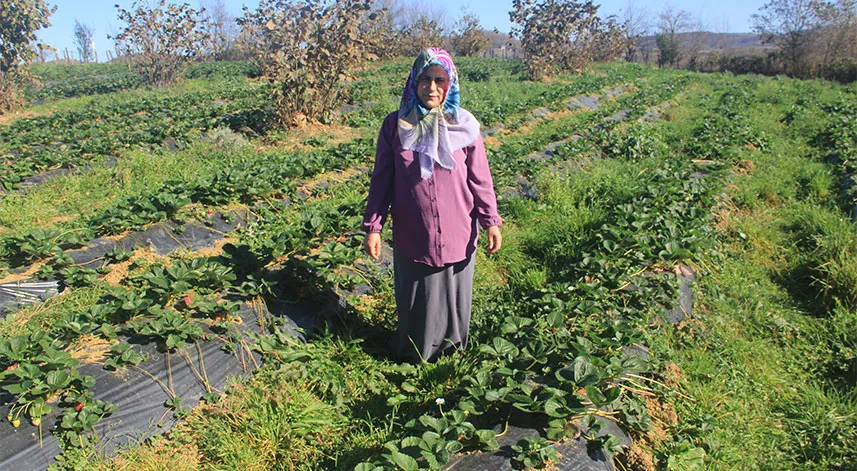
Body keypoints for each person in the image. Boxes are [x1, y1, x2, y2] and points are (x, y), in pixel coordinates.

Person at [363, 48, 502, 363]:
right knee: (418, 295)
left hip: (458, 226)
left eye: (440, 79)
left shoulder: (465, 126)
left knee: (455, 294)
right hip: (416, 230)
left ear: (450, 83)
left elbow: (480, 178)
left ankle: (453, 354)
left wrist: (490, 219)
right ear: (413, 81)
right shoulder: (395, 126)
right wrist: (374, 226)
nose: (432, 87)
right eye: (425, 78)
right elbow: (382, 180)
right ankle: (416, 356)